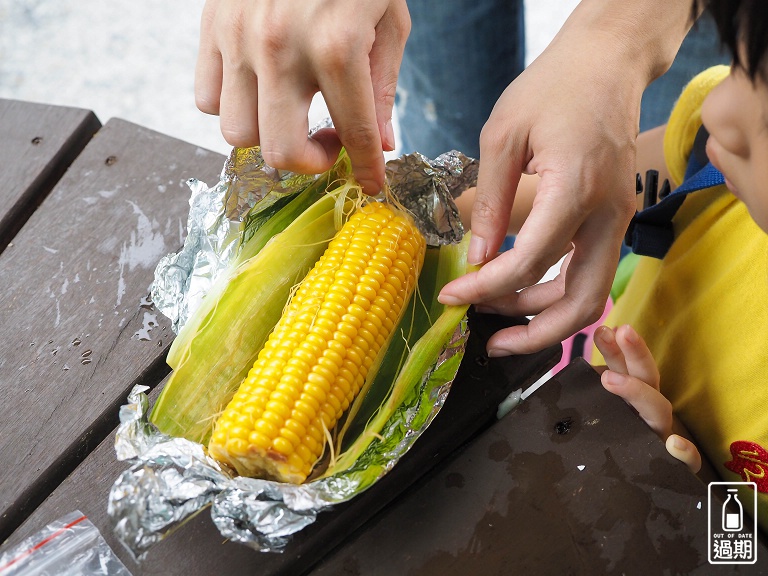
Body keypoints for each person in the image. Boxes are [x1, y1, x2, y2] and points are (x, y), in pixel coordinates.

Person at [194, 0, 717, 358]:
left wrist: (616, 43)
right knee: (456, 123)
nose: (726, 120)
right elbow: (677, 158)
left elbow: (678, 164)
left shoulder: (727, 141)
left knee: (633, 142)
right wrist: (425, 205)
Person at [589, 0, 768, 533]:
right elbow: (588, 187)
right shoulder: (712, 161)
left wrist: (697, 494)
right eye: (741, 66)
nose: (716, 109)